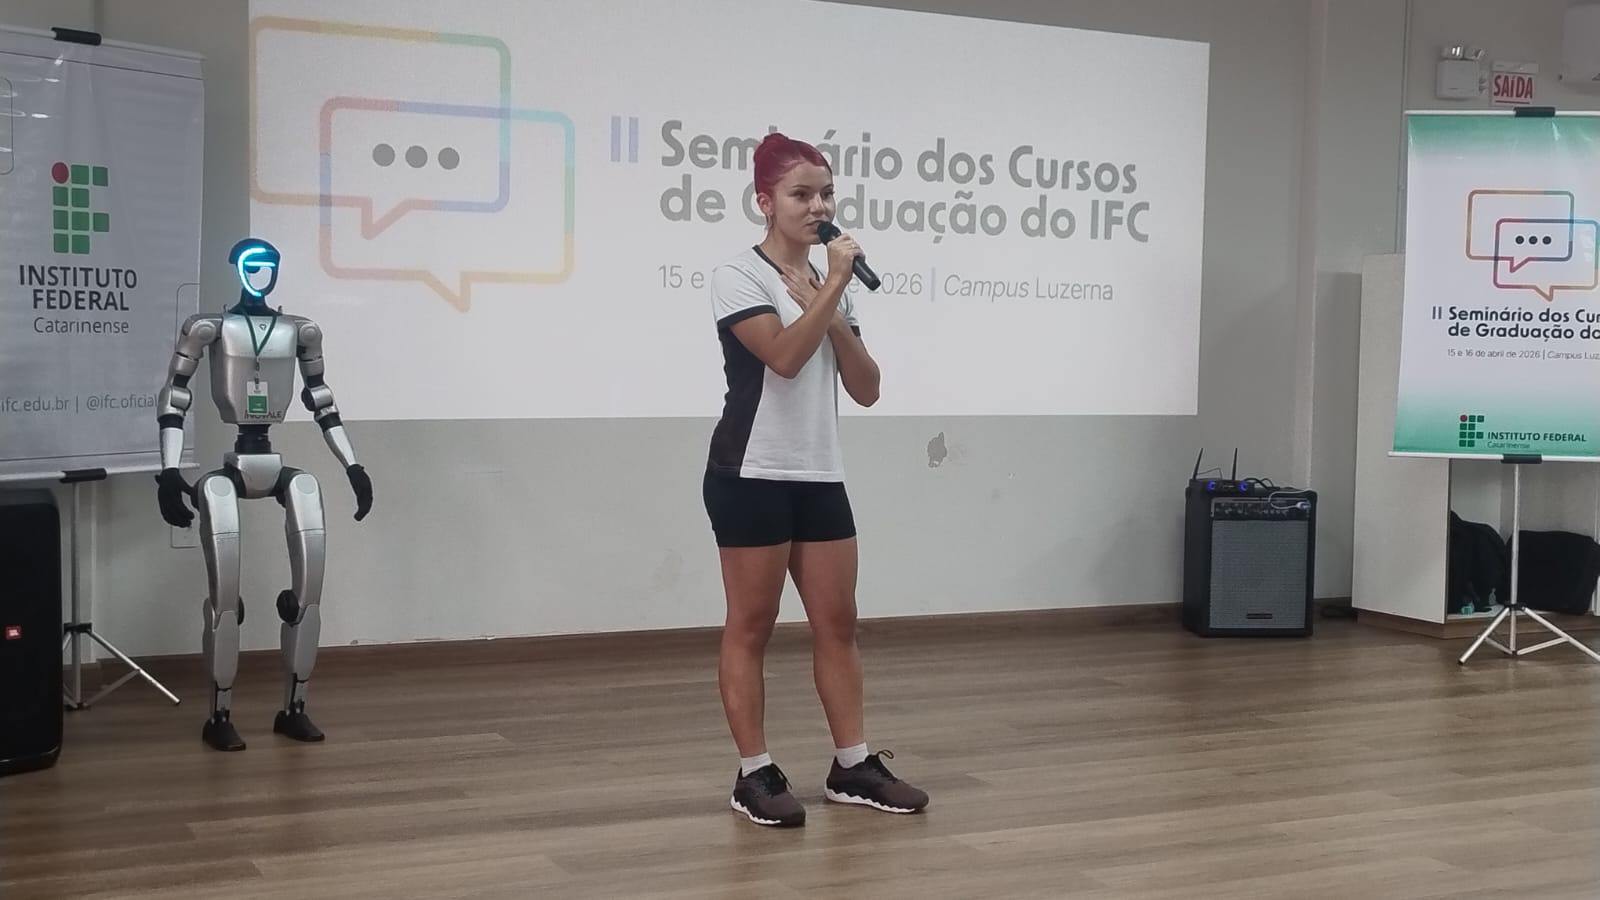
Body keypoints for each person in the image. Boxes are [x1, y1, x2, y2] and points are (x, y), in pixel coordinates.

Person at [702, 132, 929, 828]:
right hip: (750, 472)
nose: (819, 206)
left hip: (818, 471)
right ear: (764, 202)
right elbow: (781, 359)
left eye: (826, 193)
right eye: (801, 194)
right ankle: (754, 774)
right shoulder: (738, 275)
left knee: (838, 623)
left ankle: (851, 765)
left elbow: (867, 388)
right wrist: (828, 288)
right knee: (752, 626)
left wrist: (831, 308)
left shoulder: (828, 288)